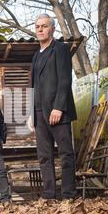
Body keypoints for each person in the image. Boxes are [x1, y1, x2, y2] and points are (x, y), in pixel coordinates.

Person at [28, 14, 78, 200]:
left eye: (44, 26)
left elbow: (65, 80)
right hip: (39, 113)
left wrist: (59, 107)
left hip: (58, 112)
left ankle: (68, 194)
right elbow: (34, 86)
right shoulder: (35, 56)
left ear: (52, 29)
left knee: (66, 153)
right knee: (44, 156)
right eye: (37, 26)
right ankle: (49, 195)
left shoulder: (60, 49)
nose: (40, 29)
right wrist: (31, 113)